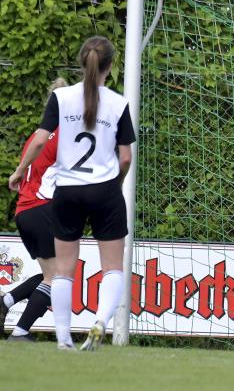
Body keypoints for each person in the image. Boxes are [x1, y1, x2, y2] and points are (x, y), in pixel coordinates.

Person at [8, 36, 136, 351]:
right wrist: (115, 185)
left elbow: (39, 141)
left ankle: (63, 340)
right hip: (104, 189)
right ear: (110, 66)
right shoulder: (119, 104)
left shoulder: (61, 97)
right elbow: (125, 158)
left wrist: (19, 170)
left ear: (82, 63)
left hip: (67, 191)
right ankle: (101, 322)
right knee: (113, 268)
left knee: (63, 271)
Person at [0, 78, 66, 341]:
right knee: (57, 277)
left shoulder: (35, 137)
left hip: (24, 212)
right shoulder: (65, 136)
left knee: (49, 273)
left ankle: (6, 300)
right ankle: (20, 332)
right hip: (42, 209)